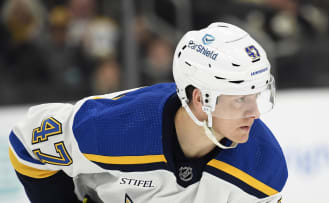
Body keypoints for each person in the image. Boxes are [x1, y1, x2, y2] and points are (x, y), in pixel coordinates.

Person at [8, 22, 287, 203]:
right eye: (240, 100)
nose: (255, 114)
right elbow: (27, 142)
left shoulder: (262, 166)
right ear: (201, 98)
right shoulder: (113, 127)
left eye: (256, 97)